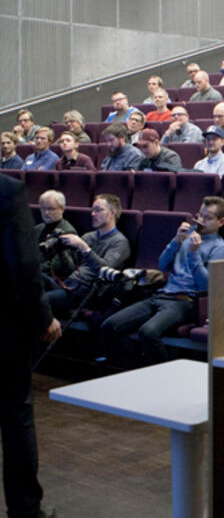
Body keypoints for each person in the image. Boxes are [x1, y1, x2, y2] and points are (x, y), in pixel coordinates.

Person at [100, 197, 224, 365]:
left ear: (221, 221)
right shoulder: (186, 237)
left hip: (187, 301)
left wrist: (194, 253)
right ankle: (132, 370)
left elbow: (207, 286)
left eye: (208, 218)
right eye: (199, 215)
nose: (201, 221)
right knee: (110, 326)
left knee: (148, 332)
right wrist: (175, 241)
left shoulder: (220, 249)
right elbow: (163, 265)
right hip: (163, 294)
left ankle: (161, 378)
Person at [0, 174, 61, 518]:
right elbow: (23, 264)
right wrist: (43, 319)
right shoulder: (7, 190)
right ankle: (24, 509)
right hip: (4, 330)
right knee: (15, 416)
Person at [44, 194, 131, 320]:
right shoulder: (88, 237)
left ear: (112, 213)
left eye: (98, 210)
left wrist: (83, 247)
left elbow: (103, 270)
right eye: (92, 210)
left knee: (39, 300)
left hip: (85, 293)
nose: (93, 214)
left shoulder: (120, 242)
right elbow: (72, 268)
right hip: (68, 284)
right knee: (28, 284)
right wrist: (61, 252)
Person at [35, 189, 79, 281]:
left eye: (51, 208)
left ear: (62, 209)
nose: (46, 213)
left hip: (52, 279)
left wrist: (30, 269)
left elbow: (57, 265)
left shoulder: (68, 232)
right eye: (43, 208)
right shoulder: (37, 228)